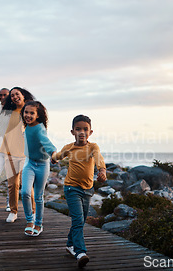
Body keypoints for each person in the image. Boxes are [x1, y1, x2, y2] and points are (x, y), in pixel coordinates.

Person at [51, 114, 106, 268]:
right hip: (71, 188)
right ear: (72, 131)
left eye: (85, 129)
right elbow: (59, 156)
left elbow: (99, 158)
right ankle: (80, 252)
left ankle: (70, 245)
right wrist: (54, 158)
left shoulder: (93, 147)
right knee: (77, 220)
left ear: (91, 132)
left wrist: (102, 171)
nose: (82, 132)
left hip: (88, 190)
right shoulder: (69, 147)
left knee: (80, 221)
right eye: (78, 129)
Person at [20, 100, 56, 236]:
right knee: (24, 192)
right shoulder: (26, 126)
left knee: (39, 196)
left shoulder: (40, 128)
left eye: (31, 113)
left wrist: (53, 153)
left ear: (38, 115)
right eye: (26, 112)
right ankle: (30, 220)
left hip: (42, 165)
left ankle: (38, 224)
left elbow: (46, 142)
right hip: (29, 163)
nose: (28, 115)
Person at [1, 87, 36, 223]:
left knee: (27, 186)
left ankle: (33, 212)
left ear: (23, 94)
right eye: (12, 95)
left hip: (25, 154)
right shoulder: (9, 112)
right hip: (9, 152)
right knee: (12, 185)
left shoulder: (30, 109)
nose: (15, 97)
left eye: (17, 94)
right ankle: (13, 211)